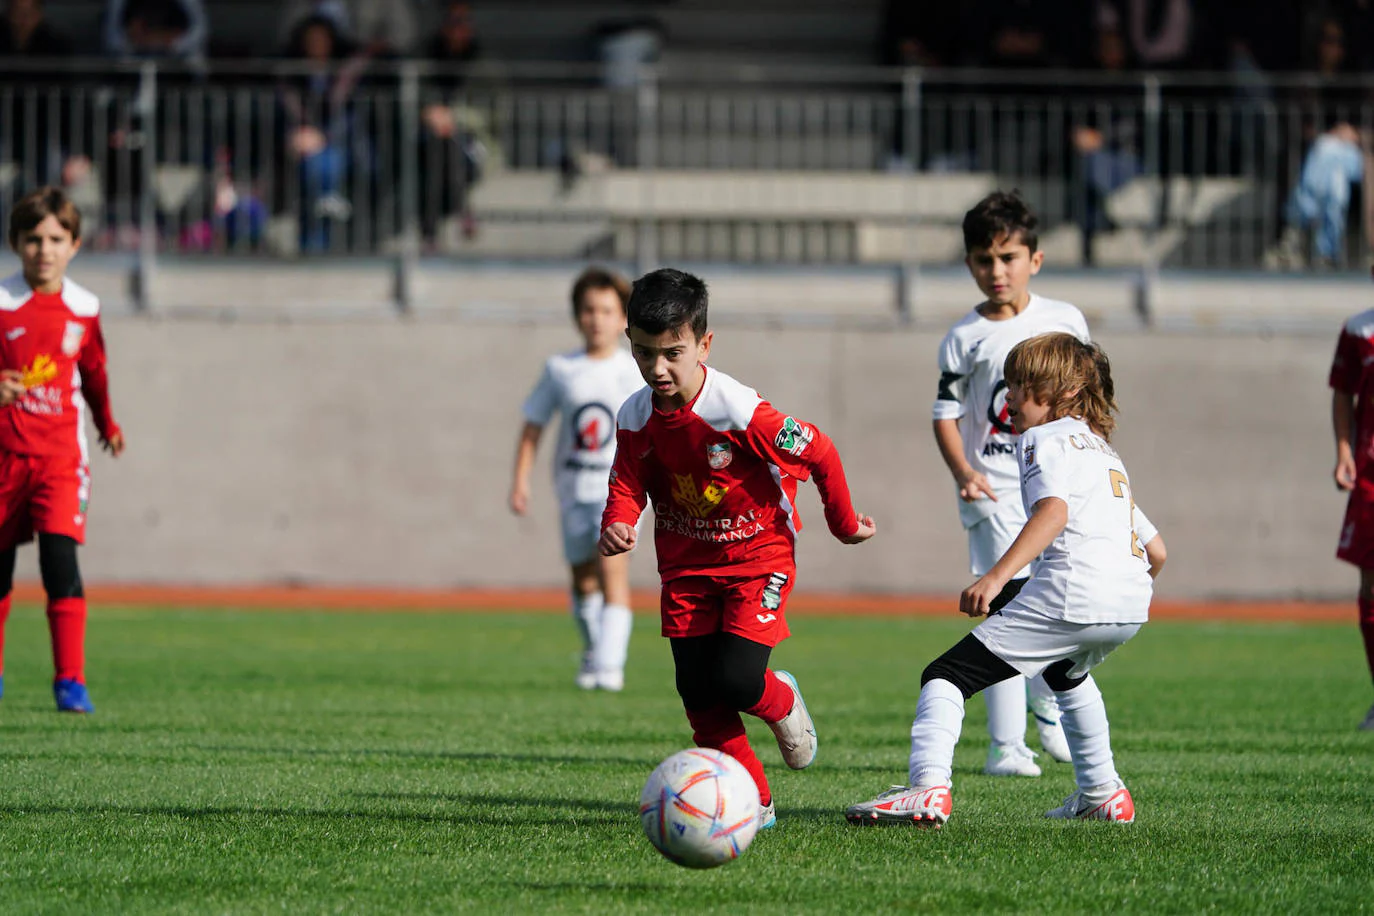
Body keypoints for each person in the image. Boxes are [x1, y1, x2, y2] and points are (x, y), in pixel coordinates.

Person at [847, 332, 1165, 827]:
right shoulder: (1103, 452)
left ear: (1059, 393)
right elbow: (1157, 551)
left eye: (1020, 384)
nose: (1009, 396)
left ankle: (927, 788)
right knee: (1067, 672)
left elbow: (1053, 513)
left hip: (1073, 595)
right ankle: (1104, 793)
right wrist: (1120, 591)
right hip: (1129, 603)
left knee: (947, 675)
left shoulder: (1044, 438)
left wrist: (995, 578)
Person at [599, 267, 876, 830]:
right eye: (643, 352)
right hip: (684, 568)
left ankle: (780, 700)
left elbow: (818, 450)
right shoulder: (634, 415)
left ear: (704, 343)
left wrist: (843, 524)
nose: (657, 368)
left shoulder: (737, 409)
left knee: (736, 680)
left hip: (758, 557)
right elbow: (627, 480)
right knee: (698, 693)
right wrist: (618, 521)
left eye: (672, 352)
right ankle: (755, 803)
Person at [930, 190, 1083, 778]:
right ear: (970, 264)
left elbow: (1082, 399)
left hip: (1053, 486)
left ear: (1034, 260)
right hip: (993, 486)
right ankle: (1005, 746)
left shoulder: (1065, 320)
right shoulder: (962, 337)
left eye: (1008, 257)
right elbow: (945, 415)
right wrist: (964, 473)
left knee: (1059, 602)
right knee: (1008, 607)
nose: (997, 271)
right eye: (983, 260)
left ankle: (1048, 700)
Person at [0, 187, 124, 713]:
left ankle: (70, 681)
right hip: (4, 459)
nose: (43, 250)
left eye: (55, 239)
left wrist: (108, 423)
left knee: (59, 561)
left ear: (74, 245)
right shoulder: (1, 303)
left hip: (61, 461)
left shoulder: (84, 308)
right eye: (33, 239)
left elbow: (93, 373)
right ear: (16, 243)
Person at [510, 267, 644, 692]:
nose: (597, 319)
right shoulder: (561, 369)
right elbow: (534, 426)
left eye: (606, 310)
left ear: (623, 318)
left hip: (619, 492)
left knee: (613, 574)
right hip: (572, 489)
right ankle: (593, 653)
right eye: (588, 310)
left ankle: (610, 666)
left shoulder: (633, 370)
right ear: (577, 315)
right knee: (583, 579)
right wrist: (521, 481)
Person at [1329, 292, 1374, 730]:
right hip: (1371, 478)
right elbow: (1343, 392)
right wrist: (1344, 450)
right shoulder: (1359, 329)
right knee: (1371, 585)